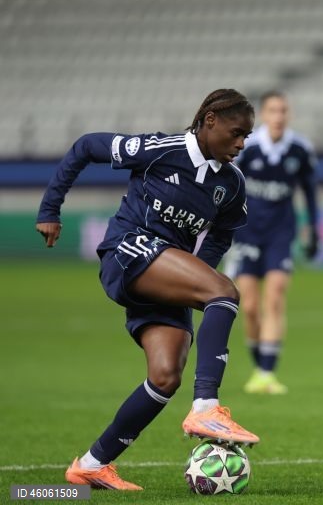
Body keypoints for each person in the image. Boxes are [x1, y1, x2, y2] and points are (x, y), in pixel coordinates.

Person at [36, 89, 261, 491]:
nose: (242, 143)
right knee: (224, 292)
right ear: (210, 120)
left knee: (165, 376)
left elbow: (219, 238)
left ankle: (91, 465)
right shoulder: (159, 149)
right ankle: (207, 406)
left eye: (247, 136)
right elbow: (86, 146)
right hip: (128, 251)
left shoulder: (231, 185)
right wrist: (50, 208)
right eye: (236, 132)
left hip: (163, 270)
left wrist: (193, 278)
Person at [223, 90, 319, 395]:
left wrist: (313, 230)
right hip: (247, 232)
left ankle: (266, 372)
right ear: (263, 115)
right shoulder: (247, 148)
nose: (279, 116)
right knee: (249, 306)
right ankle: (259, 366)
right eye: (273, 110)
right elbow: (227, 186)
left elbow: (310, 191)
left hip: (281, 233)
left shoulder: (300, 149)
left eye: (284, 111)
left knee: (275, 297)